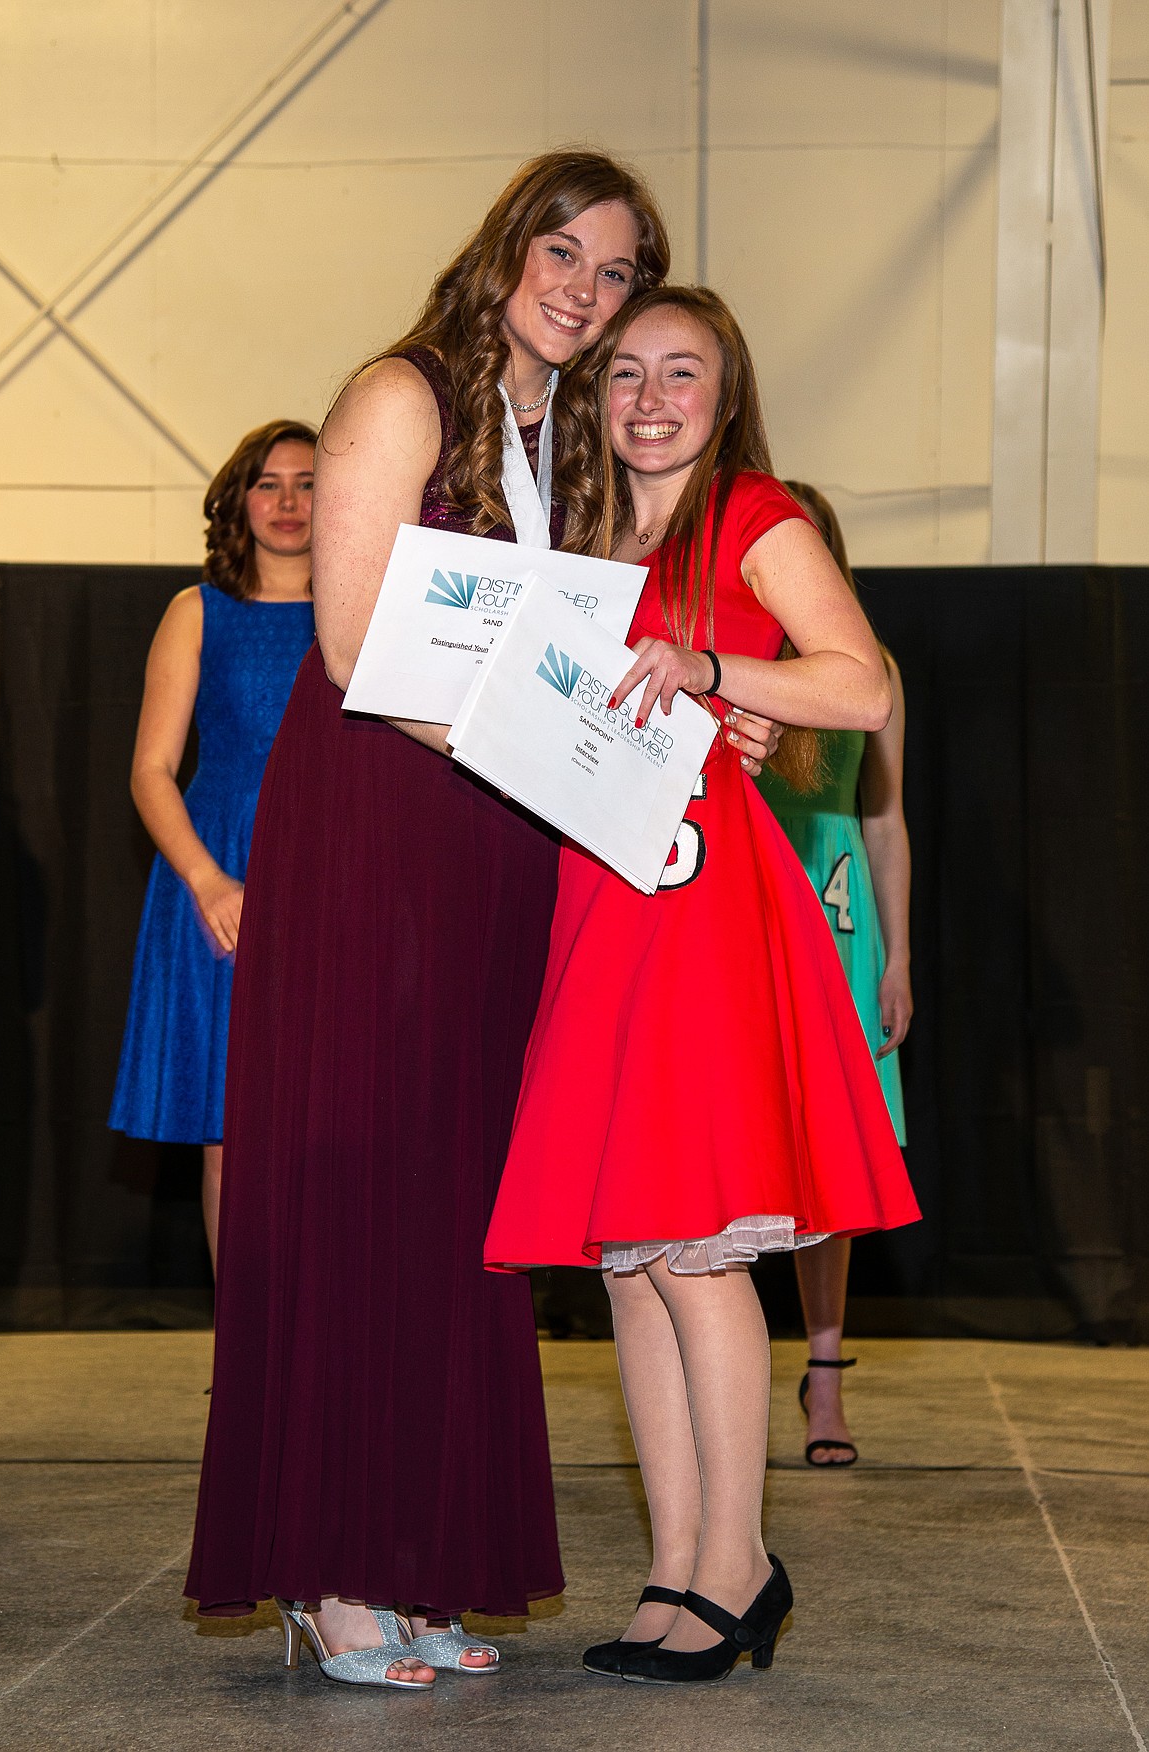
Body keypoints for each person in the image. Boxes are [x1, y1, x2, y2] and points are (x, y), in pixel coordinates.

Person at [185, 150, 773, 1691]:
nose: (583, 287)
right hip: (383, 829)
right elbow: (361, 640)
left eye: (614, 269)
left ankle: (417, 1555)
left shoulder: (552, 433)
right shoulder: (402, 393)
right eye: (562, 252)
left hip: (500, 845)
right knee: (356, 1181)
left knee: (461, 1217)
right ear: (507, 247)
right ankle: (328, 1569)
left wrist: (692, 731)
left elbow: (591, 656)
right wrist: (554, 754)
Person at [483, 287, 921, 1687]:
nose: (649, 395)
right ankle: (675, 1565)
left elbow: (861, 688)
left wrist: (717, 668)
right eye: (624, 373)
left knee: (699, 1243)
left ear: (723, 396)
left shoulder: (752, 515)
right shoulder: (588, 538)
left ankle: (737, 1561)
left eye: (681, 372)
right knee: (631, 1256)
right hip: (598, 898)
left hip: (702, 901)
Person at [109, 421, 317, 1270]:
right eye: (268, 484)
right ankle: (246, 1364)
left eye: (307, 482)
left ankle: (318, 1351)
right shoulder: (196, 612)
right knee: (229, 1131)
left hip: (330, 877)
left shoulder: (365, 613)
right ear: (238, 500)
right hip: (217, 881)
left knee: (327, 1128)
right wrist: (209, 881)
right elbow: (151, 769)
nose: (288, 502)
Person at [758, 481, 912, 1467]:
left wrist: (901, 956)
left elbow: (886, 817)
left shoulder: (874, 668)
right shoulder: (731, 657)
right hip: (745, 911)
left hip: (842, 919)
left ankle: (824, 1373)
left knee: (833, 1162)